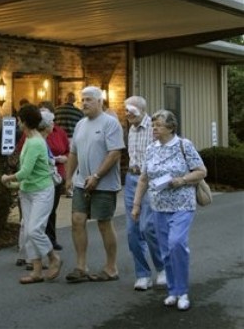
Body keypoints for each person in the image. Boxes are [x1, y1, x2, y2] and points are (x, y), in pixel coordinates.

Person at [131, 109, 207, 311]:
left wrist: (181, 180)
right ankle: (173, 291)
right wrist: (137, 205)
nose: (154, 128)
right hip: (158, 207)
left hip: (182, 205)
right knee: (165, 252)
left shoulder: (184, 145)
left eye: (159, 125)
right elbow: (144, 179)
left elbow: (201, 171)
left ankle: (183, 292)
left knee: (176, 244)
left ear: (171, 128)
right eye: (153, 125)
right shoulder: (151, 149)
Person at [64, 86, 125, 283]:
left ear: (100, 101)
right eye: (83, 100)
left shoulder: (110, 123)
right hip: (82, 183)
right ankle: (81, 266)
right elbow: (73, 153)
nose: (84, 103)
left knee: (104, 223)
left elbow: (115, 153)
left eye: (89, 99)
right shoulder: (80, 124)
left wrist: (97, 175)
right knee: (77, 220)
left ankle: (111, 267)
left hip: (104, 184)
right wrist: (69, 178)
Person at [1, 103, 62, 284]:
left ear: (24, 122)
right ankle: (36, 272)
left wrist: (7, 178)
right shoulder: (29, 140)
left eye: (19, 120)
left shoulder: (35, 142)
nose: (18, 123)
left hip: (42, 192)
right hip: (27, 191)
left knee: (35, 229)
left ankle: (53, 258)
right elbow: (27, 175)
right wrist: (16, 185)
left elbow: (25, 171)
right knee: (28, 231)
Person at [124, 96, 166, 291]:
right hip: (132, 180)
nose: (126, 114)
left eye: (130, 110)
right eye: (125, 110)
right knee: (132, 231)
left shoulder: (154, 127)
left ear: (140, 109)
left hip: (150, 181)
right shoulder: (131, 129)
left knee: (148, 227)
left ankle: (162, 267)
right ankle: (142, 274)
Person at [38, 106, 70, 251]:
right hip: (42, 176)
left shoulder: (59, 132)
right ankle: (38, 241)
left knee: (52, 209)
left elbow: (68, 151)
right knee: (41, 210)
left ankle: (51, 239)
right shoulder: (35, 136)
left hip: (57, 175)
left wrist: (65, 158)